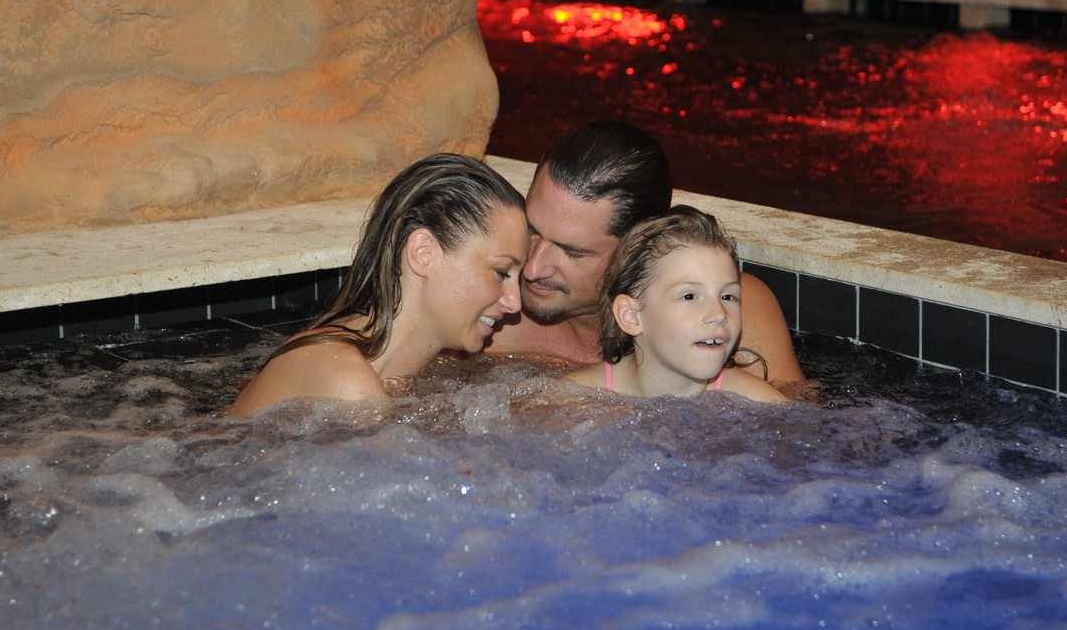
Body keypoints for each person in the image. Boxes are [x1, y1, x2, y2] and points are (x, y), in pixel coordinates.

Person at [485, 122, 806, 382]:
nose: (532, 268)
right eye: (532, 230)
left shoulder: (726, 309)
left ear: (636, 248)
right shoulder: (486, 314)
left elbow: (796, 434)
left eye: (573, 252)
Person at [230, 153, 528, 416]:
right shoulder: (348, 385)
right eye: (501, 272)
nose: (514, 302)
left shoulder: (423, 369)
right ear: (424, 253)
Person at [564, 207, 787, 401]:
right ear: (631, 315)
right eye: (689, 296)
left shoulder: (756, 402)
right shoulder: (575, 398)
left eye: (727, 296)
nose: (719, 314)